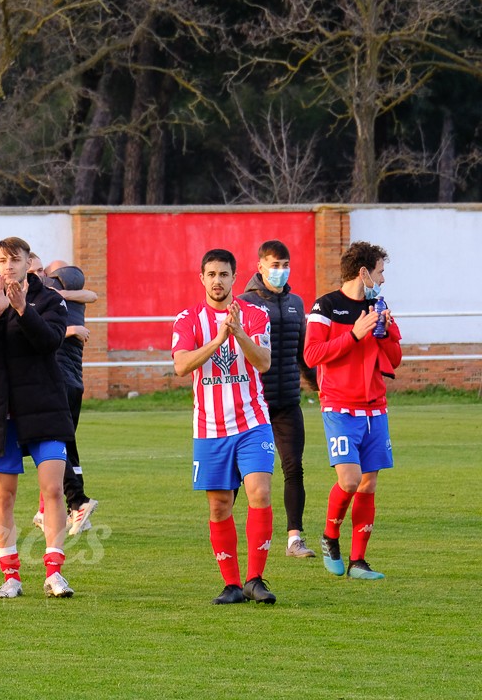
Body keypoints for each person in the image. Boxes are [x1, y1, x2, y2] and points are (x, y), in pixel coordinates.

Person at [0, 236, 76, 600]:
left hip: (44, 407)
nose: (8, 266)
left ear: (29, 263)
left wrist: (24, 309)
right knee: (3, 497)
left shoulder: (50, 301)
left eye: (14, 259)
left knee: (54, 489)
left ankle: (54, 572)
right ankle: (10, 575)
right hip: (0, 412)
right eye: (1, 260)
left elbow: (50, 342)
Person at [171, 248, 276, 605]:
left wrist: (239, 334)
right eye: (211, 274)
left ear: (235, 278)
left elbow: (263, 363)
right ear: (202, 278)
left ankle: (255, 579)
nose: (218, 281)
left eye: (224, 275)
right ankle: (232, 584)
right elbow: (182, 367)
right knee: (219, 507)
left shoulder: (256, 314)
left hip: (252, 423)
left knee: (259, 493)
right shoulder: (188, 319)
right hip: (210, 428)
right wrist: (217, 340)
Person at [304, 241, 401, 581]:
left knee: (369, 484)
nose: (383, 280)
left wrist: (386, 332)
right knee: (349, 479)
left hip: (375, 409)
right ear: (364, 272)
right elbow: (313, 355)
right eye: (380, 272)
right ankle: (331, 537)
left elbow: (396, 358)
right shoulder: (325, 306)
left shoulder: (378, 305)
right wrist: (355, 336)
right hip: (340, 407)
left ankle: (359, 561)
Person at [238, 240, 319, 558]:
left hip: (287, 400)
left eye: (285, 265)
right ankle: (229, 532)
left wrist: (317, 385)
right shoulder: (244, 302)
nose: (280, 271)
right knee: (242, 474)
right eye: (274, 265)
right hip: (253, 403)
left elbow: (302, 352)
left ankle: (294, 539)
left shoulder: (297, 303)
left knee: (293, 467)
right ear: (260, 266)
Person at [43, 259, 100, 535]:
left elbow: (42, 332)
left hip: (58, 382)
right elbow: (92, 294)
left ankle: (78, 501)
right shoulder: (73, 299)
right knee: (64, 444)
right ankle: (68, 508)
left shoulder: (49, 298)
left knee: (53, 443)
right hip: (73, 382)